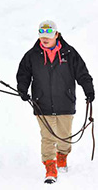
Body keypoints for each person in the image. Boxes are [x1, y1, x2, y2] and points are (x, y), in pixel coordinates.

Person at [16, 20, 95, 184]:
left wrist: (89, 90)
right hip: (41, 103)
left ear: (57, 35)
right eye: (42, 36)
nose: (45, 39)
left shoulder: (69, 53)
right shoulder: (31, 55)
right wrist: (22, 89)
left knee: (64, 137)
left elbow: (82, 73)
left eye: (49, 36)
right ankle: (50, 166)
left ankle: (62, 155)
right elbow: (23, 74)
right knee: (47, 137)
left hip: (65, 103)